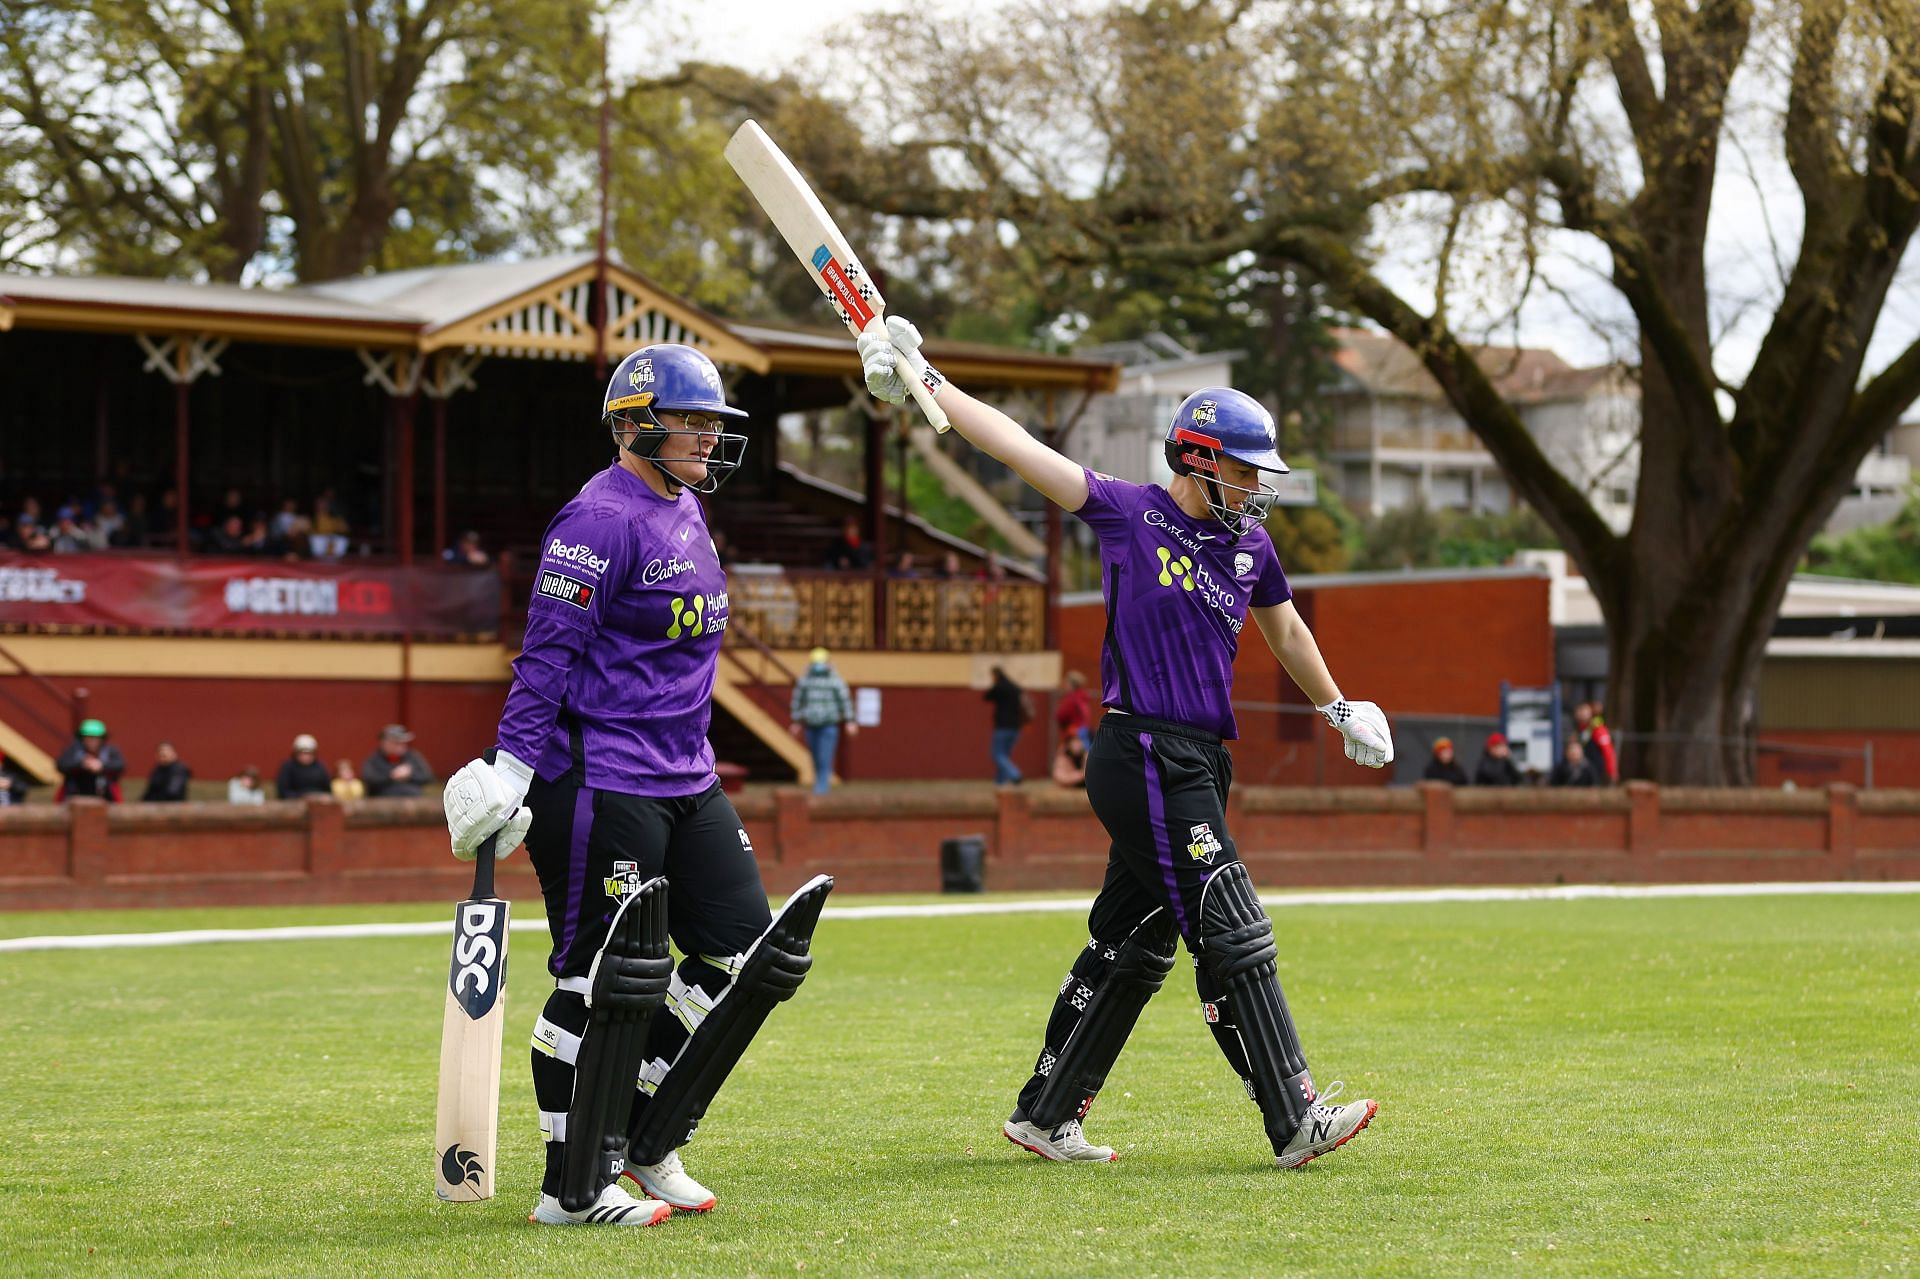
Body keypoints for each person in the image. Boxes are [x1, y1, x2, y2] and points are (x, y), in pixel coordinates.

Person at [861, 321, 1388, 1169]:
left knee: (1134, 942)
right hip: (1141, 750)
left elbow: (1285, 633)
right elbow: (1021, 449)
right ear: (1200, 460)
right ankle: (1294, 1114)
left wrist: (1337, 707)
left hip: (1201, 760)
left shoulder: (1251, 544)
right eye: (1246, 470)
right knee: (1231, 922)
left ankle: (1045, 1113)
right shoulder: (1126, 512)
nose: (1258, 490)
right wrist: (931, 385)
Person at [439, 344, 833, 1227]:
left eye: (712, 423)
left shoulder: (688, 507)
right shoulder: (596, 520)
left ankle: (644, 1138)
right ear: (633, 423)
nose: (706, 438)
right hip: (598, 781)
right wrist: (511, 767)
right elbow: (547, 657)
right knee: (602, 980)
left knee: (743, 957)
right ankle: (569, 1184)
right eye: (689, 421)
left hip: (685, 775)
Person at [789, 647, 857, 797]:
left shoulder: (835, 680)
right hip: (811, 725)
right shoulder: (805, 681)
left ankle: (821, 787)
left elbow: (844, 701)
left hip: (828, 725)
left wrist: (850, 720)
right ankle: (819, 783)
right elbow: (798, 701)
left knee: (824, 756)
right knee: (815, 756)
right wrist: (796, 721)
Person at [56, 719, 125, 802]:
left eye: (95, 738)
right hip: (75, 796)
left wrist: (101, 765)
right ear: (82, 738)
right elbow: (61, 764)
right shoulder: (73, 750)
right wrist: (82, 764)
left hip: (105, 796)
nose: (92, 741)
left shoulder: (110, 751)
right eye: (88, 738)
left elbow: (120, 765)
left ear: (102, 739)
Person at [984, 665, 1028, 786]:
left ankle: (1015, 774)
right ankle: (1000, 781)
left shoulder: (999, 687)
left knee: (997, 754)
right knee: (1004, 755)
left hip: (1002, 726)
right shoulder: (1015, 687)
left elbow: (987, 696)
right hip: (1015, 727)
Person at [363, 724, 435, 798]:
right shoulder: (374, 759)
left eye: (402, 742)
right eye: (395, 742)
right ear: (384, 743)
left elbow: (428, 777)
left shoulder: (413, 757)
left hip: (413, 800)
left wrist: (410, 775)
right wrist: (391, 776)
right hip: (383, 801)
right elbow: (369, 779)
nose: (400, 746)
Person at [276, 734, 332, 798]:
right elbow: (283, 792)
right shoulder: (288, 767)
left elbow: (328, 790)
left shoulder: (320, 767)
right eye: (302, 753)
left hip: (318, 802)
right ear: (296, 753)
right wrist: (302, 797)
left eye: (309, 753)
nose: (306, 756)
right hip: (294, 803)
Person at [1574, 701, 1619, 782]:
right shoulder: (1579, 729)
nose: (1581, 713)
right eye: (1579, 710)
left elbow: (1608, 751)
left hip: (1595, 770)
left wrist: (1612, 771)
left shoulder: (1598, 729)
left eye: (1584, 710)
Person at [1055, 670, 1092, 749]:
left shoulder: (1072, 699)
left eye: (1066, 683)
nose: (1064, 686)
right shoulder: (1082, 697)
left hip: (1072, 733)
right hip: (1083, 731)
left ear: (1071, 685)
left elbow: (1061, 715)